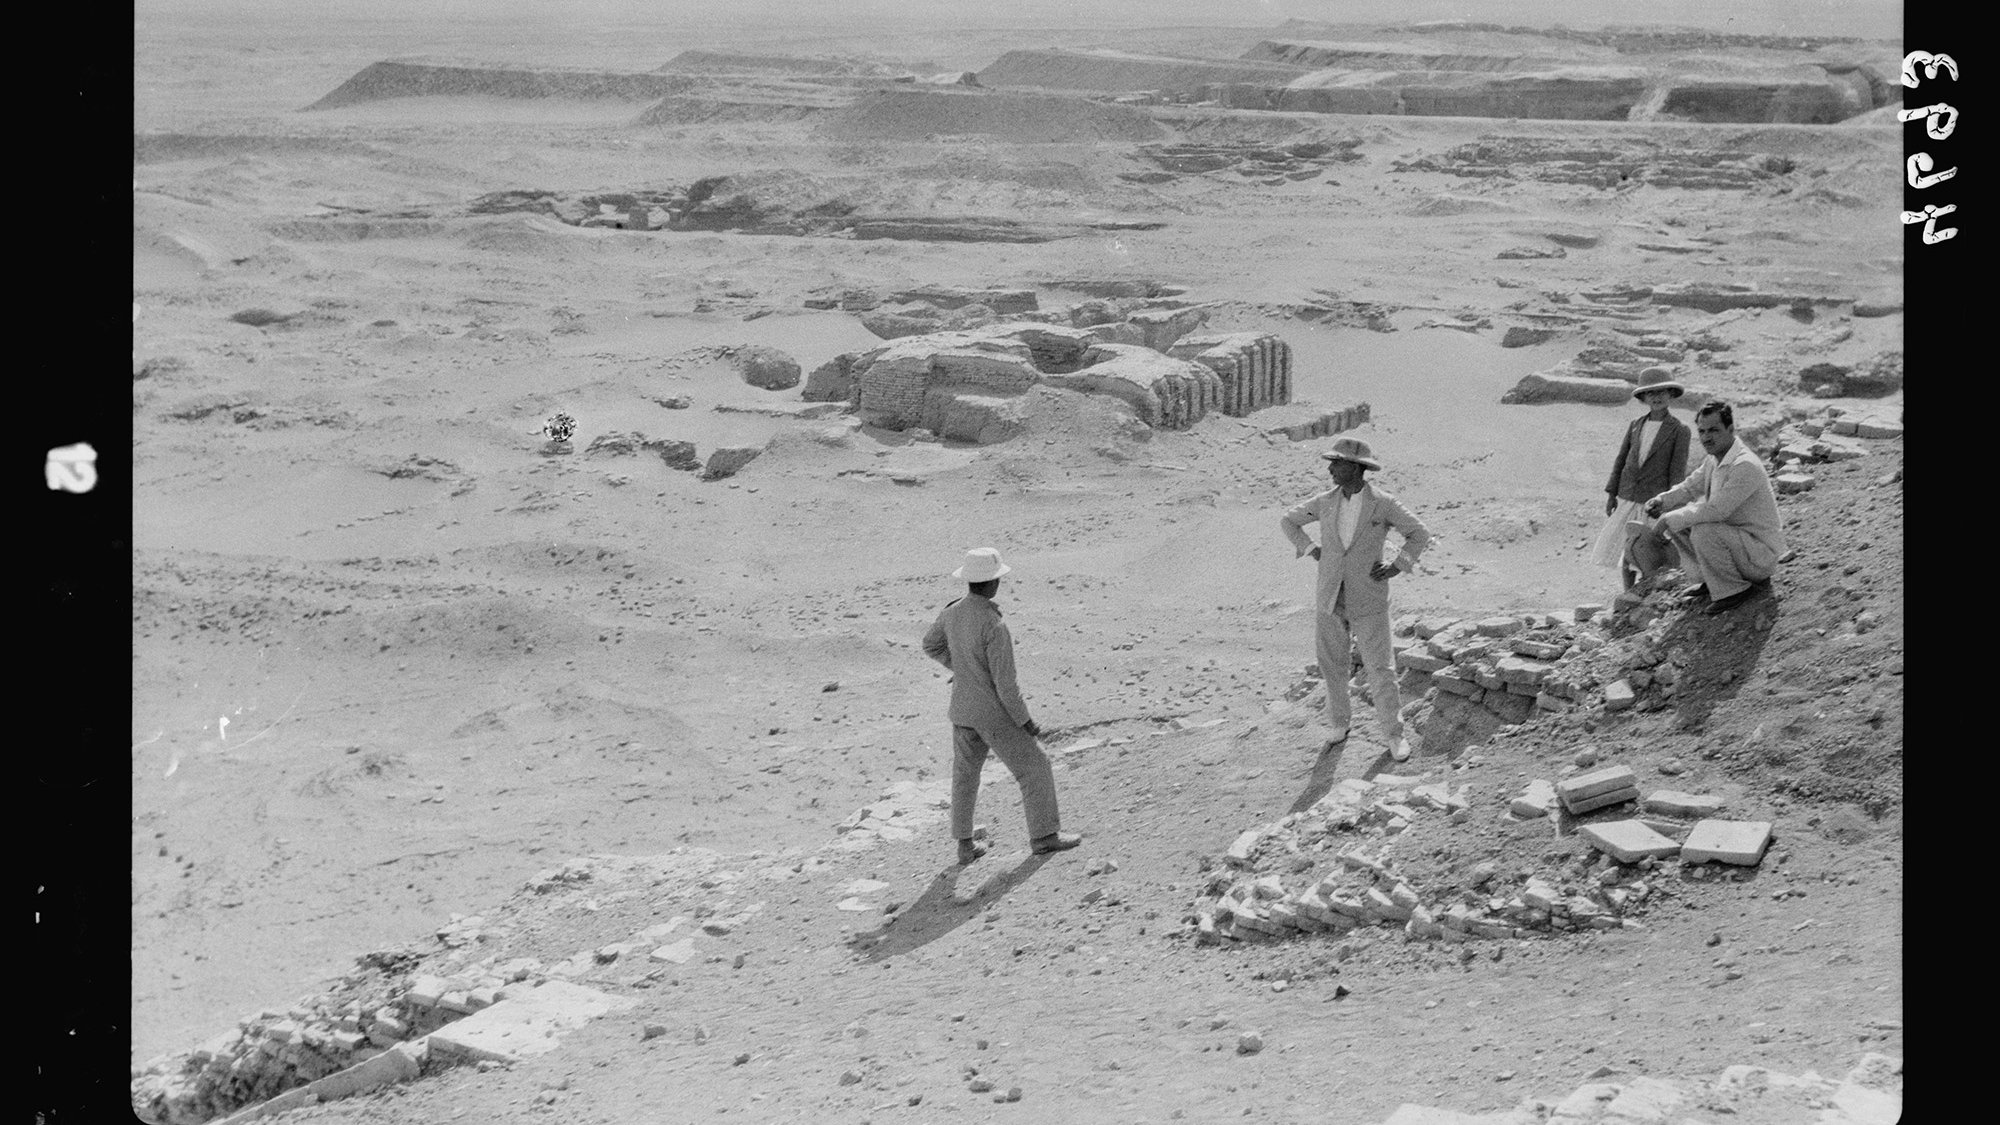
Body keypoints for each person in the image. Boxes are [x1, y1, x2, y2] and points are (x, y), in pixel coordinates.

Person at [921, 547, 1082, 865]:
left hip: (963, 711)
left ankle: (965, 846)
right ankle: (1044, 837)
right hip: (993, 714)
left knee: (965, 777)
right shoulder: (994, 624)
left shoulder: (951, 613)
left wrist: (964, 669)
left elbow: (931, 644)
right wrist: (1026, 722)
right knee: (1035, 767)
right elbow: (1006, 687)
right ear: (993, 583)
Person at [1279, 437, 1432, 762]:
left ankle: (1394, 734)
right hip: (1330, 596)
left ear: (1356, 467)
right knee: (1332, 664)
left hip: (1369, 598)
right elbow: (1289, 521)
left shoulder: (1383, 503)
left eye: (1337, 463)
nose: (1330, 469)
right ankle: (1339, 723)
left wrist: (1397, 566)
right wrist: (1312, 549)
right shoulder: (1324, 502)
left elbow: (1419, 533)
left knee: (1381, 668)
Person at [1629, 399, 1785, 616]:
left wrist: (1668, 518)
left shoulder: (1745, 465)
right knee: (1682, 518)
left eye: (1713, 430)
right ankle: (1710, 580)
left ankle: (1732, 590)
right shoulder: (1714, 459)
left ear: (1730, 429)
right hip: (1737, 545)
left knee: (1701, 528)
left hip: (1759, 556)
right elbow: (1690, 487)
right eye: (1702, 431)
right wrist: (1662, 501)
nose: (1706, 437)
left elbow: (1717, 511)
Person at [1592, 367, 1693, 591]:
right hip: (1628, 497)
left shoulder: (1679, 430)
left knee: (1646, 550)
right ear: (1643, 397)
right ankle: (1628, 593)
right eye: (1650, 393)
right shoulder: (1636, 425)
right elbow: (1621, 460)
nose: (1656, 397)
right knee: (1626, 549)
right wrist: (1611, 494)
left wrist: (1668, 504)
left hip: (1653, 502)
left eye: (1662, 392)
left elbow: (1677, 472)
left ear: (1671, 394)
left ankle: (1648, 593)